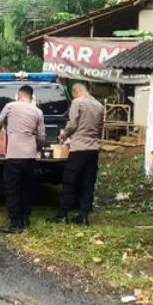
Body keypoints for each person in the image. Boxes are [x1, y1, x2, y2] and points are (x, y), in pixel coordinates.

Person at [0, 85, 45, 233]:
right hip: (30, 157)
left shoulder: (10, 106)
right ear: (31, 96)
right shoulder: (38, 111)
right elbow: (41, 136)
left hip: (14, 155)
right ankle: (25, 220)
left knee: (12, 189)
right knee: (27, 188)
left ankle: (14, 223)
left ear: (19, 94)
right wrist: (38, 148)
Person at [48, 83, 104, 225]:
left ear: (75, 92)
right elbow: (100, 129)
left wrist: (64, 134)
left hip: (78, 148)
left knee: (69, 181)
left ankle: (62, 215)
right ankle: (83, 215)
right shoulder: (99, 105)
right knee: (88, 183)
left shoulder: (77, 102)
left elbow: (72, 124)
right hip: (93, 149)